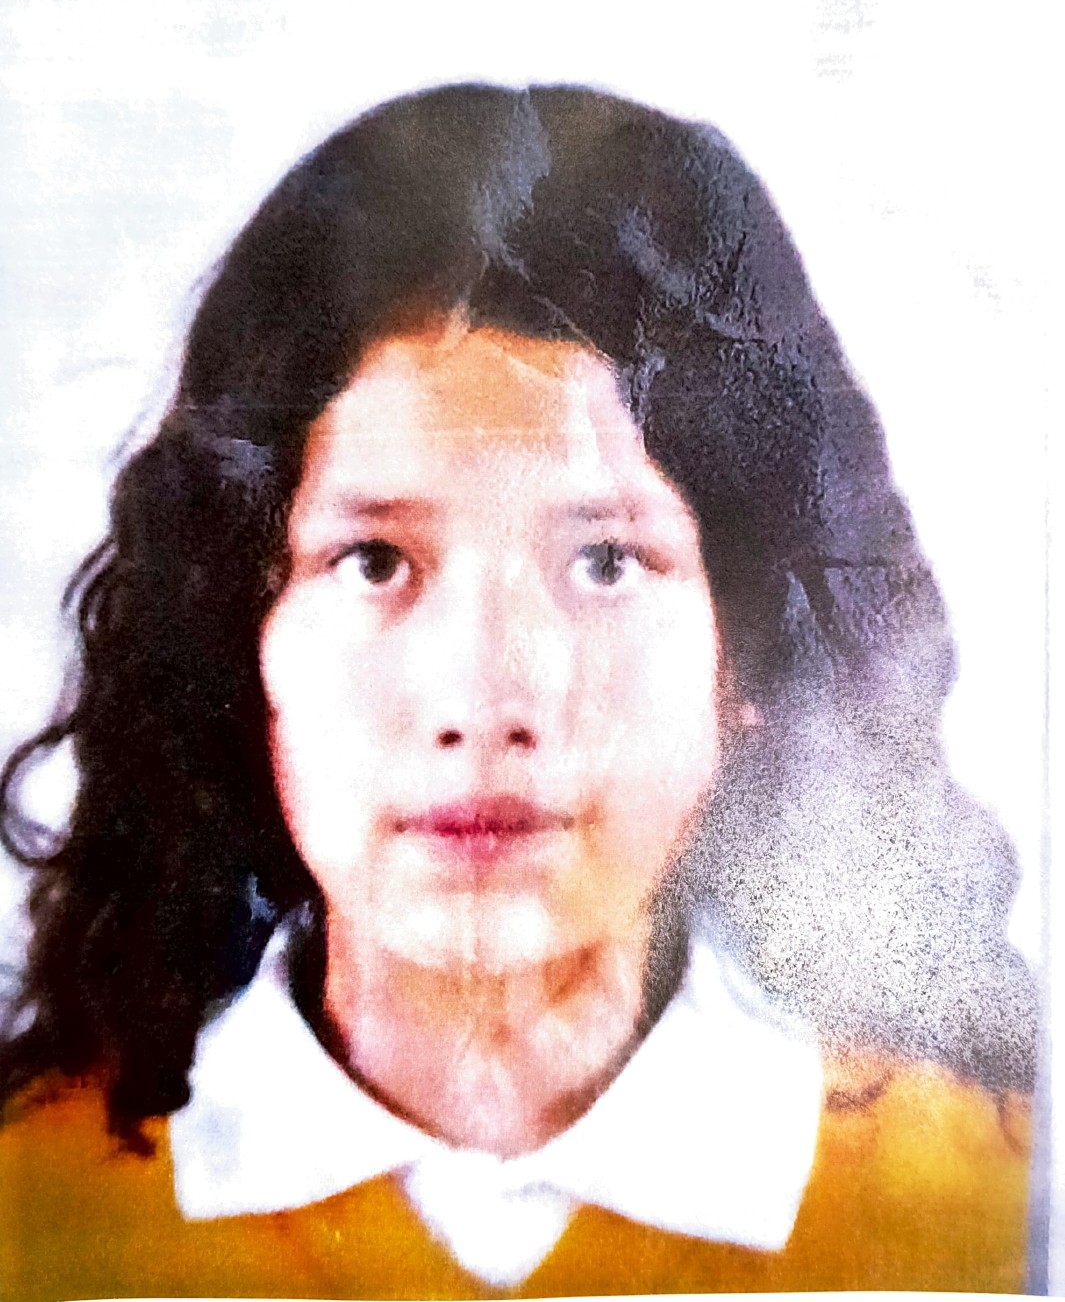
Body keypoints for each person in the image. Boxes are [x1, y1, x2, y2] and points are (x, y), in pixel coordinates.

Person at [0, 83, 1037, 1299]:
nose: (485, 701)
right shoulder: (35, 1211)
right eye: (373, 561)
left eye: (605, 562)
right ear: (240, 636)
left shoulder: (992, 1201)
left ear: (752, 649)